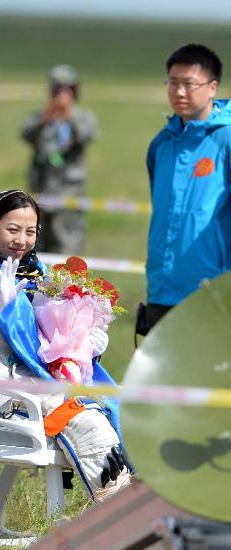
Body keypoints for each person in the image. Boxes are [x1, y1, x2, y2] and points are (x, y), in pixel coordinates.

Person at [0, 190, 131, 502]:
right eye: (12, 230)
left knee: (115, 412)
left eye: (30, 232)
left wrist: (83, 340)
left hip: (37, 385)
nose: (21, 240)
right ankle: (120, 511)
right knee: (88, 422)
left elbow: (52, 343)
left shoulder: (41, 280)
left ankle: (128, 510)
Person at [141, 43, 231, 334]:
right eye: (173, 83)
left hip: (212, 289)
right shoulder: (161, 144)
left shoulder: (226, 140)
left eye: (189, 84)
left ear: (212, 87)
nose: (179, 92)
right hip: (162, 287)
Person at [21, 64, 98, 255]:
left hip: (69, 191)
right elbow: (26, 134)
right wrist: (46, 117)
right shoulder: (42, 117)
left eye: (67, 90)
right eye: (57, 90)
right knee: (36, 244)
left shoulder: (83, 117)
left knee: (67, 246)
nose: (61, 95)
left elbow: (85, 136)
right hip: (41, 188)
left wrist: (68, 116)